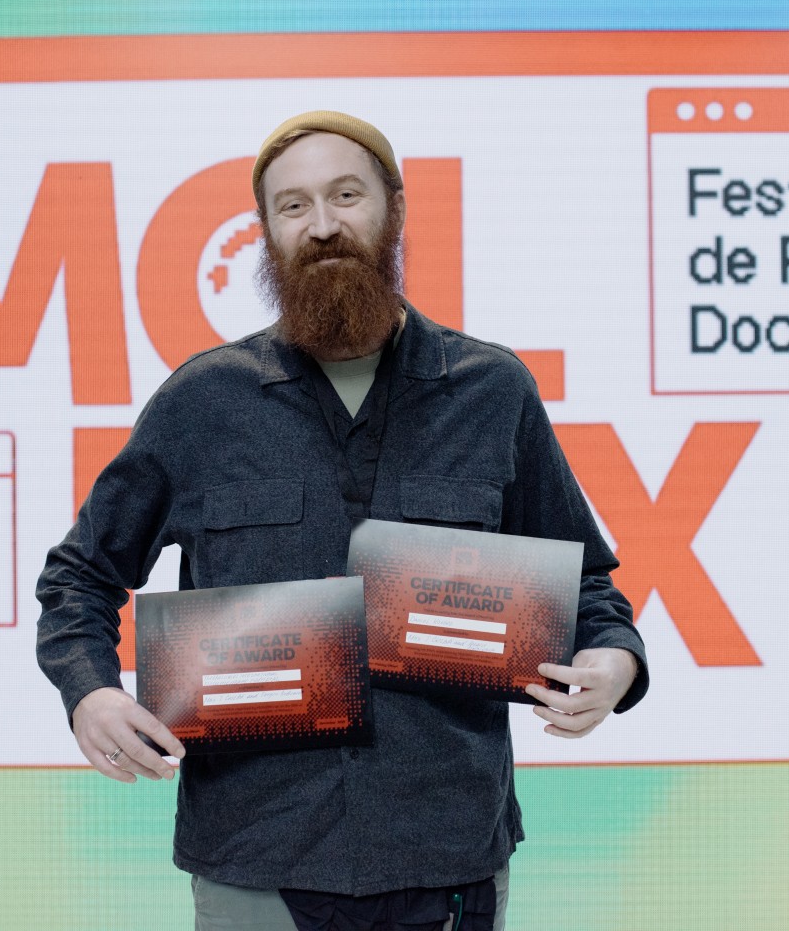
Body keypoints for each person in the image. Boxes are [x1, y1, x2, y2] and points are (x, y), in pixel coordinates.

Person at [37, 111, 649, 931]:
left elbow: (584, 583)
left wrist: (614, 658)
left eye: (346, 195)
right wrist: (90, 693)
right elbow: (80, 576)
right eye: (293, 206)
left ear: (394, 208)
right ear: (267, 231)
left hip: (447, 855)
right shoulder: (202, 402)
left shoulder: (492, 391)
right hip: (257, 857)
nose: (321, 225)